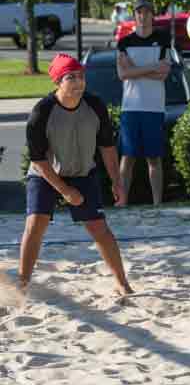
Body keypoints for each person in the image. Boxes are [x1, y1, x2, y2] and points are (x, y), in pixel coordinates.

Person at [20, 53, 133, 295]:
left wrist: (117, 182)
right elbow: (38, 159)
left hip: (83, 173)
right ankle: (22, 284)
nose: (79, 82)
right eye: (71, 77)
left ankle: (122, 283)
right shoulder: (42, 112)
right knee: (35, 223)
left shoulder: (95, 105)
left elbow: (108, 147)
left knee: (99, 228)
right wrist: (65, 190)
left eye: (82, 76)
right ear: (58, 82)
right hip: (46, 174)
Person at [117, 0, 171, 205]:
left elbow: (164, 73)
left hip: (154, 107)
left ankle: (157, 203)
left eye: (147, 12)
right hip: (130, 108)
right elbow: (122, 74)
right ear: (135, 15)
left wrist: (135, 70)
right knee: (127, 158)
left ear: (152, 15)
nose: (143, 15)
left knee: (154, 159)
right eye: (139, 12)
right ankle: (122, 202)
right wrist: (151, 67)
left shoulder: (163, 39)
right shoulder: (124, 42)